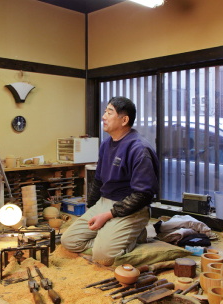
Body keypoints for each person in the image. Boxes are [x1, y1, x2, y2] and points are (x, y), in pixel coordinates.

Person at [61, 96, 160, 266]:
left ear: (124, 120)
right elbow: (99, 181)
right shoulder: (106, 145)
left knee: (103, 256)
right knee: (68, 241)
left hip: (132, 208)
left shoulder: (139, 149)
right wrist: (91, 210)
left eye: (109, 112)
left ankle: (134, 235)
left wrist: (108, 215)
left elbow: (143, 195)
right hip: (104, 203)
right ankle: (110, 238)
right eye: (105, 112)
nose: (103, 117)